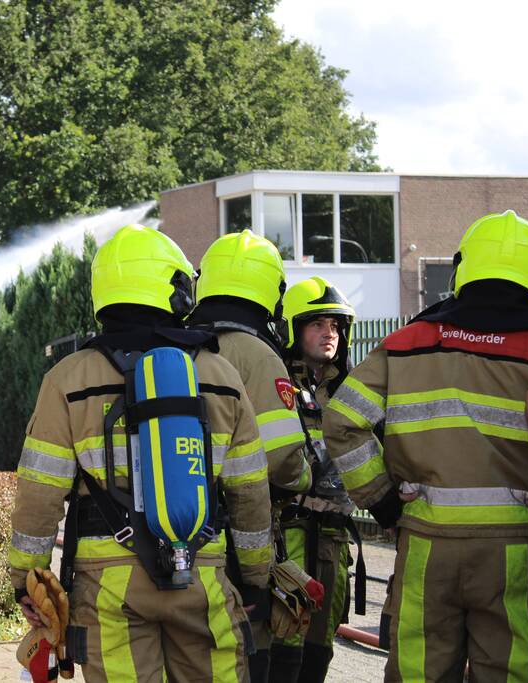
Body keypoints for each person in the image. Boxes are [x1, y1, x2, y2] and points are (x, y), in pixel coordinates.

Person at [8, 224, 272, 681]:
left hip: (107, 584)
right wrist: (255, 578)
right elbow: (250, 490)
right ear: (177, 291)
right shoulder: (220, 374)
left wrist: (27, 582)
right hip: (202, 573)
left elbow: (39, 492)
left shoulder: (68, 379)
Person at [323, 210, 528, 681]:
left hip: (424, 542)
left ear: (462, 268)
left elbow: (342, 421)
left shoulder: (408, 340)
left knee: (419, 672)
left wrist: (384, 502)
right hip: (513, 547)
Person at [187, 230, 312, 682]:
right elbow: (282, 461)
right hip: (240, 548)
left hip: (168, 535)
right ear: (271, 293)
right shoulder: (259, 355)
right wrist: (305, 478)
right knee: (244, 657)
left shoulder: (175, 345)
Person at [268, 276, 361, 683]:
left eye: (337, 326)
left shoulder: (351, 390)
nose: (330, 334)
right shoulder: (277, 384)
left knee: (319, 654)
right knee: (282, 650)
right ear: (293, 329)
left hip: (333, 543)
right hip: (289, 536)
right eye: (318, 325)